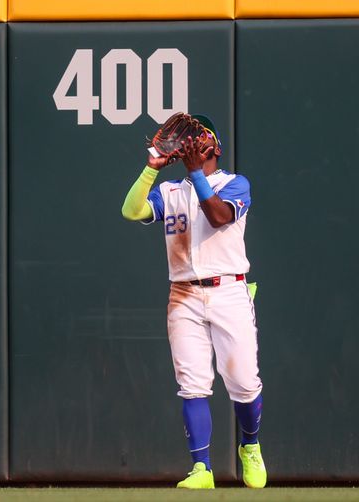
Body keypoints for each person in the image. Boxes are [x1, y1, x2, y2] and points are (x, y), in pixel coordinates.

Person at [120, 114, 266, 489]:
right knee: (192, 383)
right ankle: (202, 469)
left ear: (213, 146)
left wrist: (196, 172)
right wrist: (151, 169)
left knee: (244, 383)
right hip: (183, 293)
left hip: (229, 291)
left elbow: (218, 217)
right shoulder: (169, 191)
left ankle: (249, 445)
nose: (187, 144)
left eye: (195, 138)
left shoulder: (235, 183)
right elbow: (132, 210)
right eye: (184, 140)